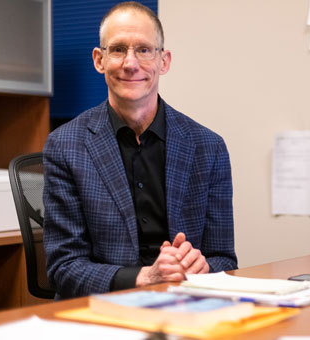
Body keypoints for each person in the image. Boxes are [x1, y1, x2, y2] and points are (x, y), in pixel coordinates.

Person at [43, 1, 237, 299]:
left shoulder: (208, 148)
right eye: (118, 49)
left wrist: (202, 266)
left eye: (144, 50)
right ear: (99, 60)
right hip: (100, 309)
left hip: (183, 304)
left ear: (164, 61)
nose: (130, 63)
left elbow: (224, 259)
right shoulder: (65, 146)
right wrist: (145, 277)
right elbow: (63, 267)